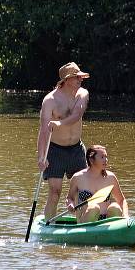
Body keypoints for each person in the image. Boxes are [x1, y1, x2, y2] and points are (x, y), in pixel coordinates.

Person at [37, 62, 91, 218]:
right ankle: (49, 225)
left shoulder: (83, 93)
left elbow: (76, 116)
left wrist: (59, 123)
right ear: (66, 80)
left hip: (76, 149)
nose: (80, 80)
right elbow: (44, 131)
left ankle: (82, 223)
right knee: (55, 191)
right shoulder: (50, 100)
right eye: (76, 77)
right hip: (55, 149)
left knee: (81, 192)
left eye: (81, 77)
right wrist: (41, 157)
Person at [66, 145, 128, 223]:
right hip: (86, 219)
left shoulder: (111, 177)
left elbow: (121, 200)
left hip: (105, 220)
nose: (106, 160)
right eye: (102, 157)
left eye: (106, 157)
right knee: (94, 208)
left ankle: (115, 231)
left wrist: (126, 216)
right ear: (91, 160)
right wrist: (70, 205)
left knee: (115, 207)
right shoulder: (77, 177)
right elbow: (70, 198)